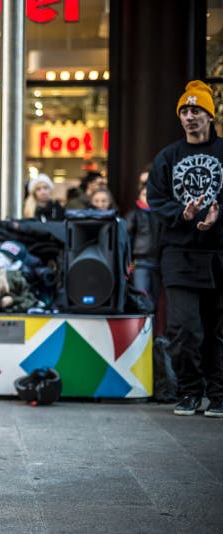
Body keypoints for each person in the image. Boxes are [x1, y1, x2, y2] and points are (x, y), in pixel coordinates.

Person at [147, 80, 223, 418]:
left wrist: (216, 218)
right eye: (185, 111)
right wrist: (183, 214)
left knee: (217, 331)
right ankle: (190, 391)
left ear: (210, 115)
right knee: (184, 329)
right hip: (179, 254)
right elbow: (155, 199)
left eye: (196, 110)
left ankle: (219, 395)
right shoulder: (168, 157)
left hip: (219, 252)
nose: (189, 116)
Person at [125, 183, 161, 309]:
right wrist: (129, 262)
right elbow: (127, 240)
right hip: (139, 262)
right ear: (139, 196)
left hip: (158, 262)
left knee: (155, 301)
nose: (148, 197)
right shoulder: (133, 215)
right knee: (142, 297)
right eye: (145, 194)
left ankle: (153, 327)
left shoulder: (160, 214)